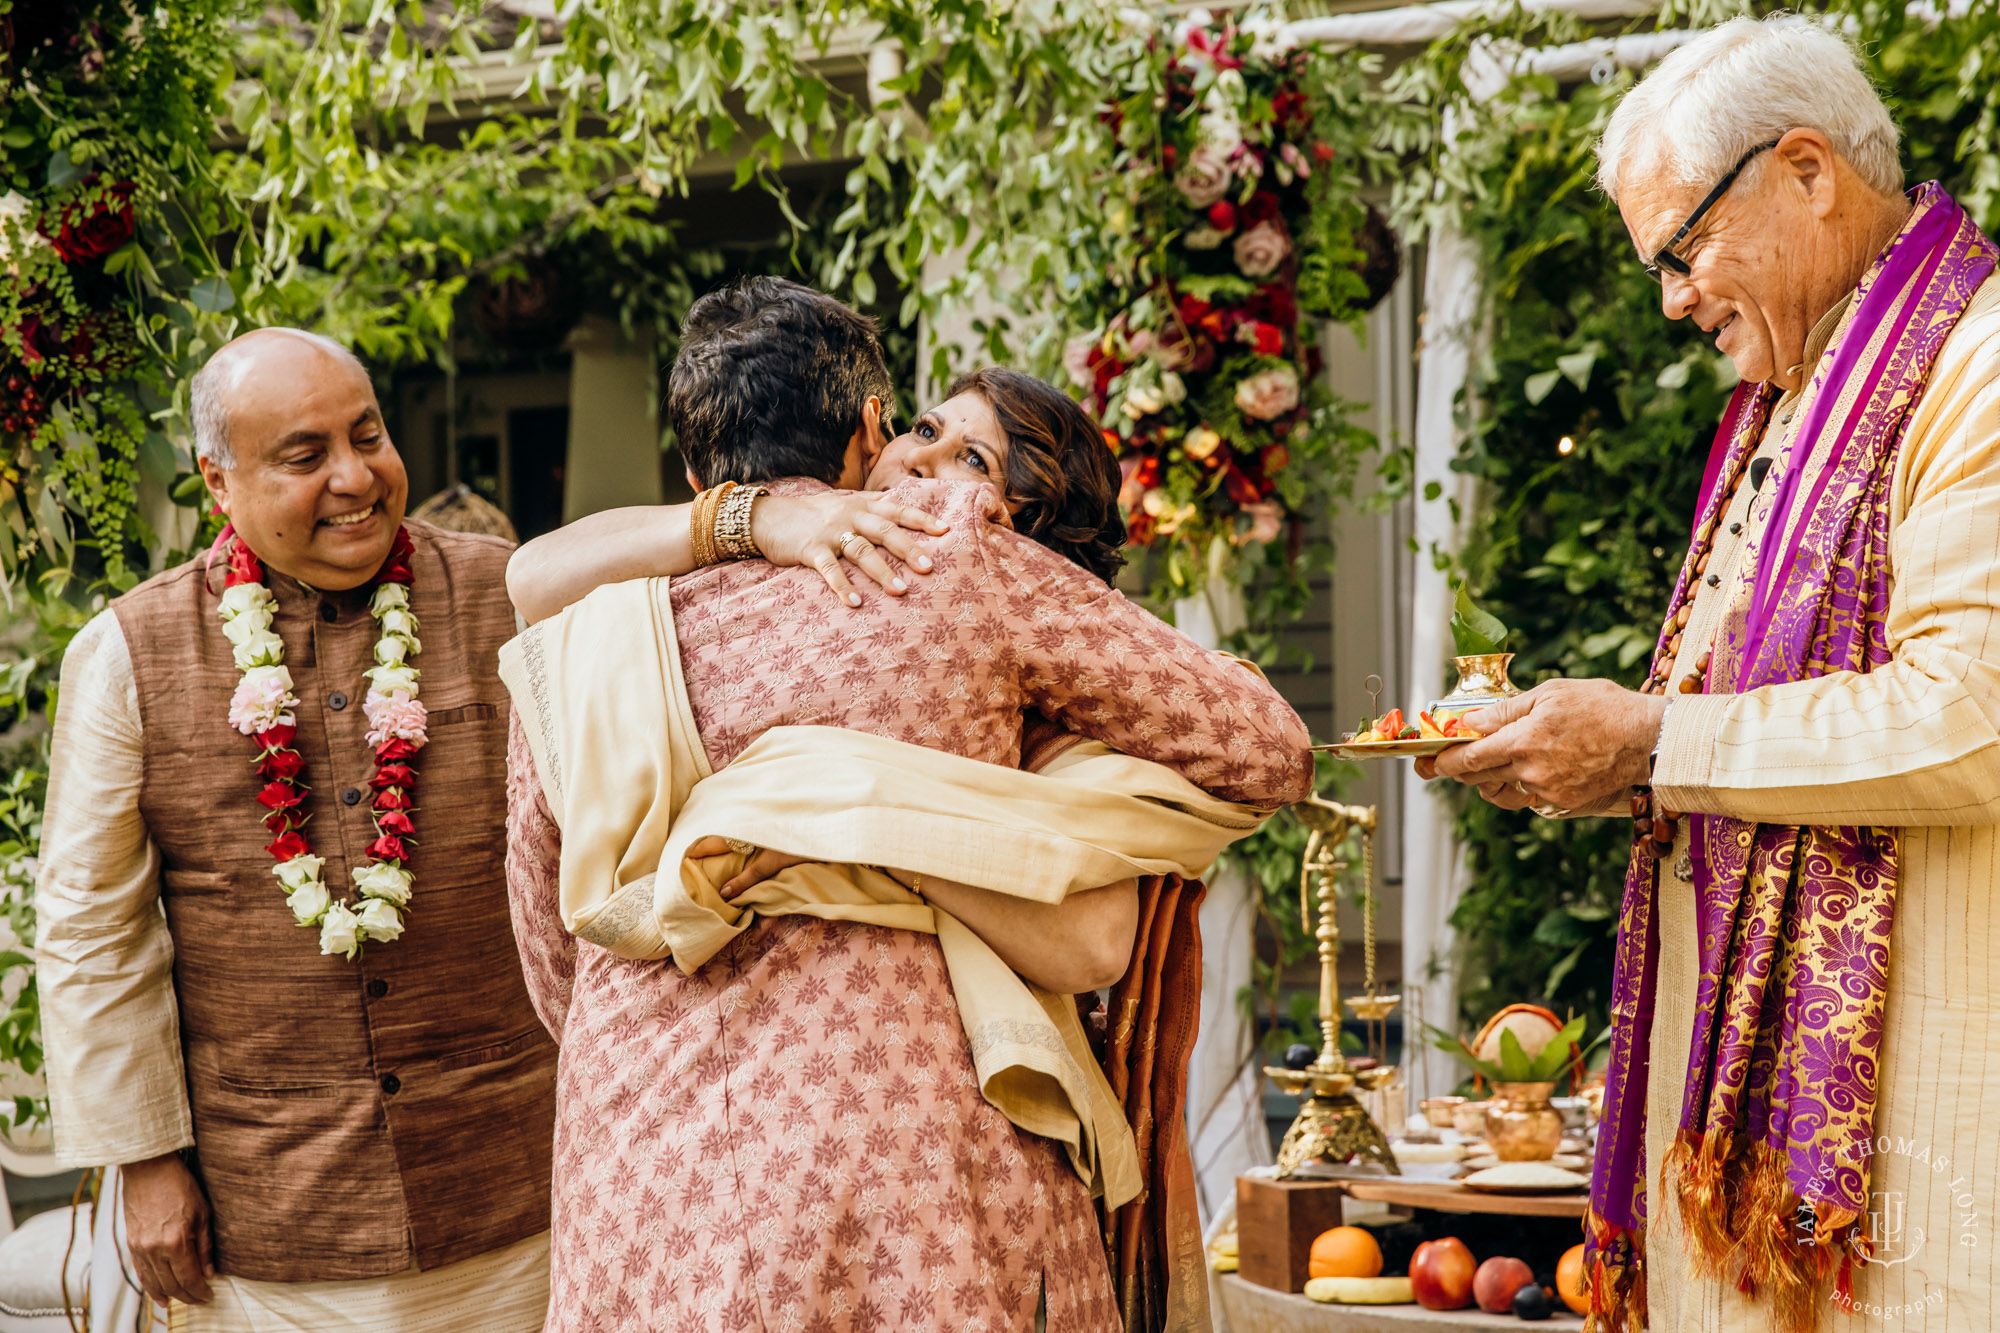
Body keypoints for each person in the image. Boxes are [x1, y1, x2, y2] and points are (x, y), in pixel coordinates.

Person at [503, 277, 1312, 1330]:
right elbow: (1266, 746)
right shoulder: (952, 559)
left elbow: (549, 944)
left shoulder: (580, 639)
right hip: (895, 1146)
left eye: (968, 456)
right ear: (868, 432)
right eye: (922, 435)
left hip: (640, 1151)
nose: (933, 472)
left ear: (694, 462)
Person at [1423, 17, 2000, 1331]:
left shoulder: (1977, 368)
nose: (1673, 298)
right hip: (1756, 1161)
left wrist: (1653, 746)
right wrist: (1600, 763)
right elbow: (1731, 727)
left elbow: (1971, 714)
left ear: (1806, 170)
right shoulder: (1792, 406)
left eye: (1681, 250)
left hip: (1932, 1135)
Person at [36, 328, 558, 1331]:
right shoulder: (126, 652)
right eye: (305, 455)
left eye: (369, 436)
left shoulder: (517, 601)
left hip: (518, 1186)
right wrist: (143, 1159)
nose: (356, 477)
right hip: (270, 1227)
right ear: (215, 479)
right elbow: (92, 930)